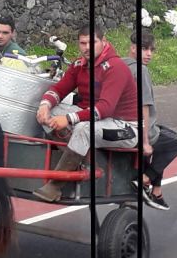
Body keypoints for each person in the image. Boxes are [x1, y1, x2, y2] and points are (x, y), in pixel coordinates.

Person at [32, 24, 139, 202]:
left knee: (83, 129)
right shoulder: (79, 65)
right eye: (83, 43)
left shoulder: (116, 67)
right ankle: (85, 161)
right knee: (48, 114)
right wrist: (44, 106)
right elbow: (59, 89)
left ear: (104, 42)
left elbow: (105, 108)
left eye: (92, 42)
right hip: (94, 118)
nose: (87, 48)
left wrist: (68, 119)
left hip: (126, 127)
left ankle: (55, 185)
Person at [127, 30, 177, 211]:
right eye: (144, 49)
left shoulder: (120, 64)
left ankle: (157, 191)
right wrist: (145, 141)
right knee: (176, 142)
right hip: (138, 128)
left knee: (163, 134)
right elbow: (144, 106)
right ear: (133, 48)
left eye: (151, 50)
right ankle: (145, 179)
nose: (149, 54)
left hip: (124, 123)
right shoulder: (141, 70)